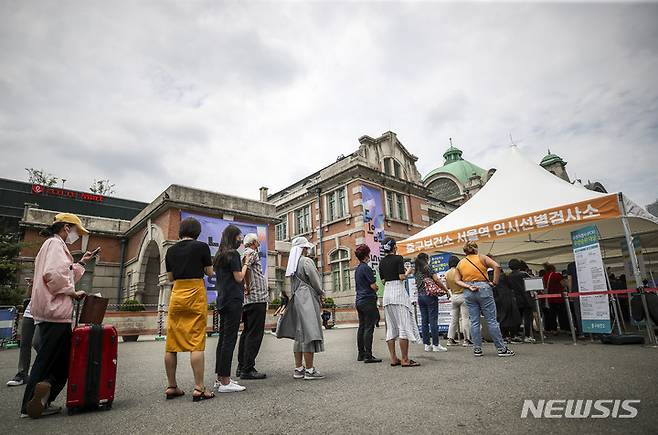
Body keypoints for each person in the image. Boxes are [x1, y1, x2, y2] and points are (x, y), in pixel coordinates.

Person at [20, 213, 96, 418]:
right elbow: (53, 275)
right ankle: (32, 404)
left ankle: (42, 397)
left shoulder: (53, 246)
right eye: (76, 231)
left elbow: (65, 274)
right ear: (65, 227)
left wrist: (81, 263)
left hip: (51, 311)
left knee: (58, 361)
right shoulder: (54, 245)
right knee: (50, 360)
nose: (76, 236)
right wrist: (72, 292)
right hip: (55, 312)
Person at [163, 217, 215, 402]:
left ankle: (171, 386)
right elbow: (209, 273)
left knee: (171, 343)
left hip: (177, 294)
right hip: (195, 294)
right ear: (197, 232)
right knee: (196, 341)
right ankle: (199, 388)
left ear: (181, 231)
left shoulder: (170, 250)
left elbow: (170, 277)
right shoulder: (202, 247)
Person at [276, 236, 326, 380]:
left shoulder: (293, 264)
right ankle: (310, 370)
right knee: (309, 333)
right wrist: (321, 293)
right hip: (307, 298)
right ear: (303, 248)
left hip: (297, 298)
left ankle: (299, 368)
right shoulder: (306, 261)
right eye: (306, 247)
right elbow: (315, 281)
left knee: (299, 335)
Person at [453, 241, 515, 357]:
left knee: (474, 321)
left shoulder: (461, 263)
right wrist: (494, 282)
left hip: (468, 290)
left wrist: (468, 286)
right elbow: (496, 266)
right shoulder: (482, 257)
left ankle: (477, 349)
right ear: (476, 249)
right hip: (484, 288)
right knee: (491, 320)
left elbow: (457, 280)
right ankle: (501, 349)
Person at [213, 224, 249, 393]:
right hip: (233, 300)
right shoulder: (233, 254)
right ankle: (226, 382)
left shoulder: (219, 255)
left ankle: (220, 377)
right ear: (234, 237)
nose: (241, 240)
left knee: (222, 339)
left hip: (222, 300)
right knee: (230, 339)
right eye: (239, 237)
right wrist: (245, 264)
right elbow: (239, 277)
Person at [379, 238, 421, 367]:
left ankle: (393, 358)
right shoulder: (398, 259)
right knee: (403, 326)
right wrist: (408, 271)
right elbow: (402, 277)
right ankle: (405, 359)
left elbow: (383, 281)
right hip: (398, 293)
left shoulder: (381, 262)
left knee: (391, 327)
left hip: (387, 295)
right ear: (394, 247)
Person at [236, 233, 269, 380]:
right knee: (254, 334)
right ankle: (247, 368)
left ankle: (242, 366)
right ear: (254, 243)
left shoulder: (246, 252)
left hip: (251, 300)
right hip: (256, 299)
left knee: (247, 333)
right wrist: (248, 286)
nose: (259, 244)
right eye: (258, 242)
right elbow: (247, 268)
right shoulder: (251, 252)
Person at [7, 278, 40, 387]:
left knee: (37, 343)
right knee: (25, 343)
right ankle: (22, 374)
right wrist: (31, 285)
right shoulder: (38, 270)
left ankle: (46, 370)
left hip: (45, 312)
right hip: (29, 312)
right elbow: (29, 296)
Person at [414, 252, 449, 352]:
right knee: (433, 320)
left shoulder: (416, 271)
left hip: (420, 297)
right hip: (429, 296)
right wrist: (446, 289)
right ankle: (436, 345)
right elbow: (437, 280)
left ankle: (427, 345)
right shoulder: (428, 267)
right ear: (426, 259)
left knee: (424, 321)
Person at [354, 244, 382, 364]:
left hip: (359, 300)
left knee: (362, 326)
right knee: (369, 327)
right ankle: (368, 355)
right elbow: (373, 285)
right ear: (366, 255)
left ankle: (361, 353)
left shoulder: (358, 269)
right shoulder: (366, 268)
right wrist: (376, 288)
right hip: (368, 300)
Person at [445, 256, 472, 347]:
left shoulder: (447, 273)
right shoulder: (459, 271)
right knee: (465, 318)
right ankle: (466, 340)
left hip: (453, 297)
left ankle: (450, 339)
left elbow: (447, 287)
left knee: (453, 319)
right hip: (463, 296)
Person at [507, 259, 535, 343]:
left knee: (516, 318)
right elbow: (532, 284)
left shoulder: (508, 276)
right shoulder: (524, 274)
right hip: (526, 298)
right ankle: (527, 336)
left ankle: (515, 335)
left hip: (514, 299)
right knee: (527, 318)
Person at [493, 266, 521, 342]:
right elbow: (511, 285)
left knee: (501, 318)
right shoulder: (505, 276)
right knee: (512, 317)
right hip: (508, 298)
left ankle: (504, 335)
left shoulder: (492, 278)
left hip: (498, 299)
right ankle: (513, 335)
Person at [542, 263, 568, 335]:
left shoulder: (545, 276)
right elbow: (563, 284)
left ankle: (553, 329)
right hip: (559, 298)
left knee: (552, 315)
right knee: (562, 314)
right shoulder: (557, 275)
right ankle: (563, 328)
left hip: (550, 298)